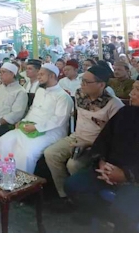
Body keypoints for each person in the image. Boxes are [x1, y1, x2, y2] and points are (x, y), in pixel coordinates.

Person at [64, 71, 139, 232]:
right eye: (133, 88)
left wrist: (125, 175)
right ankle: (110, 218)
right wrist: (102, 162)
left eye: (138, 89)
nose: (131, 93)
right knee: (72, 186)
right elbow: (104, 140)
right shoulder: (125, 113)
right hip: (108, 170)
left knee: (121, 212)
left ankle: (122, 225)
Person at [44, 64, 124, 208]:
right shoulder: (79, 94)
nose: (82, 84)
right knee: (50, 153)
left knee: (73, 164)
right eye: (82, 80)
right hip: (77, 136)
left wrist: (89, 144)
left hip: (96, 143)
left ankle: (83, 200)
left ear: (101, 84)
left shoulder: (114, 104)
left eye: (87, 82)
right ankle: (65, 195)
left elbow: (115, 136)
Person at [0, 64, 74, 173]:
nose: (38, 77)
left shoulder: (63, 97)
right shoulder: (40, 91)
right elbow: (32, 109)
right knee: (4, 140)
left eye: (41, 74)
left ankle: (22, 181)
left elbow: (58, 120)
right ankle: (2, 174)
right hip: (29, 126)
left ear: (52, 76)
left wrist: (36, 127)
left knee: (27, 152)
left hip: (50, 132)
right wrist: (22, 121)